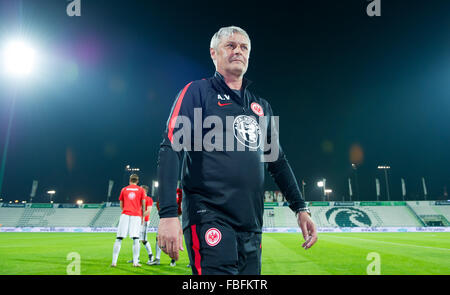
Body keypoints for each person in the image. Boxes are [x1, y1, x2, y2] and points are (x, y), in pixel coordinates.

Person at [156, 26, 317, 275]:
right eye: (230, 45)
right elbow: (170, 147)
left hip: (251, 222)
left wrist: (300, 208)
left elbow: (278, 162)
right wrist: (168, 214)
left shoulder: (261, 106)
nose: (238, 51)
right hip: (208, 215)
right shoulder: (197, 92)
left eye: (244, 47)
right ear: (214, 53)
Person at [111, 174, 146, 267]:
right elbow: (143, 204)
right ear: (137, 181)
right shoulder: (141, 190)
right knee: (136, 238)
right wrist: (141, 215)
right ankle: (135, 262)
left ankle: (114, 262)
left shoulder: (124, 189)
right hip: (136, 215)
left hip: (125, 214)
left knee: (119, 238)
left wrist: (125, 210)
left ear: (129, 180)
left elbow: (121, 204)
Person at [148, 188, 183, 267]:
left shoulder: (179, 191)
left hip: (175, 216)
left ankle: (173, 259)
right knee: (158, 237)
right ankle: (157, 259)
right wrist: (162, 212)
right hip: (165, 215)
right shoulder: (164, 190)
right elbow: (158, 202)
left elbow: (181, 202)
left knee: (174, 237)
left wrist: (178, 213)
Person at [126, 185, 154, 265]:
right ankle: (136, 258)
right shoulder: (138, 199)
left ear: (144, 190)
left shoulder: (149, 199)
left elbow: (148, 211)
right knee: (136, 239)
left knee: (144, 240)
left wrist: (140, 217)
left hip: (144, 221)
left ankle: (151, 256)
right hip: (137, 221)